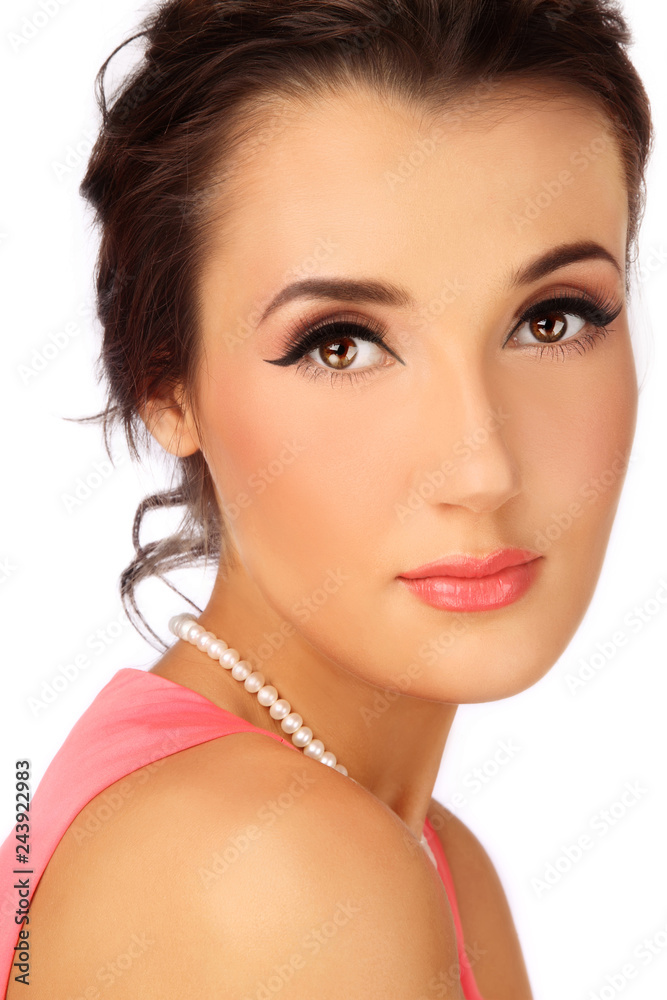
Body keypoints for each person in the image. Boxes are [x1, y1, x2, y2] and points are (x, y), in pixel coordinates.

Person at [0, 0, 654, 996]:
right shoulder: (278, 877)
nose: (481, 467)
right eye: (339, 342)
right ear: (165, 385)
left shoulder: (430, 855)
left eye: (552, 318)